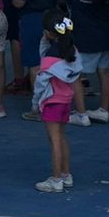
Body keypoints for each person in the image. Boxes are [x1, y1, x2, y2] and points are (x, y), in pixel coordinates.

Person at [33, 11, 80, 193]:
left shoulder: (50, 57)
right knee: (61, 137)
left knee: (54, 141)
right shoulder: (71, 50)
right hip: (66, 100)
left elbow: (40, 83)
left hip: (52, 101)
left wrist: (35, 103)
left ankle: (56, 178)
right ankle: (66, 174)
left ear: (47, 32)